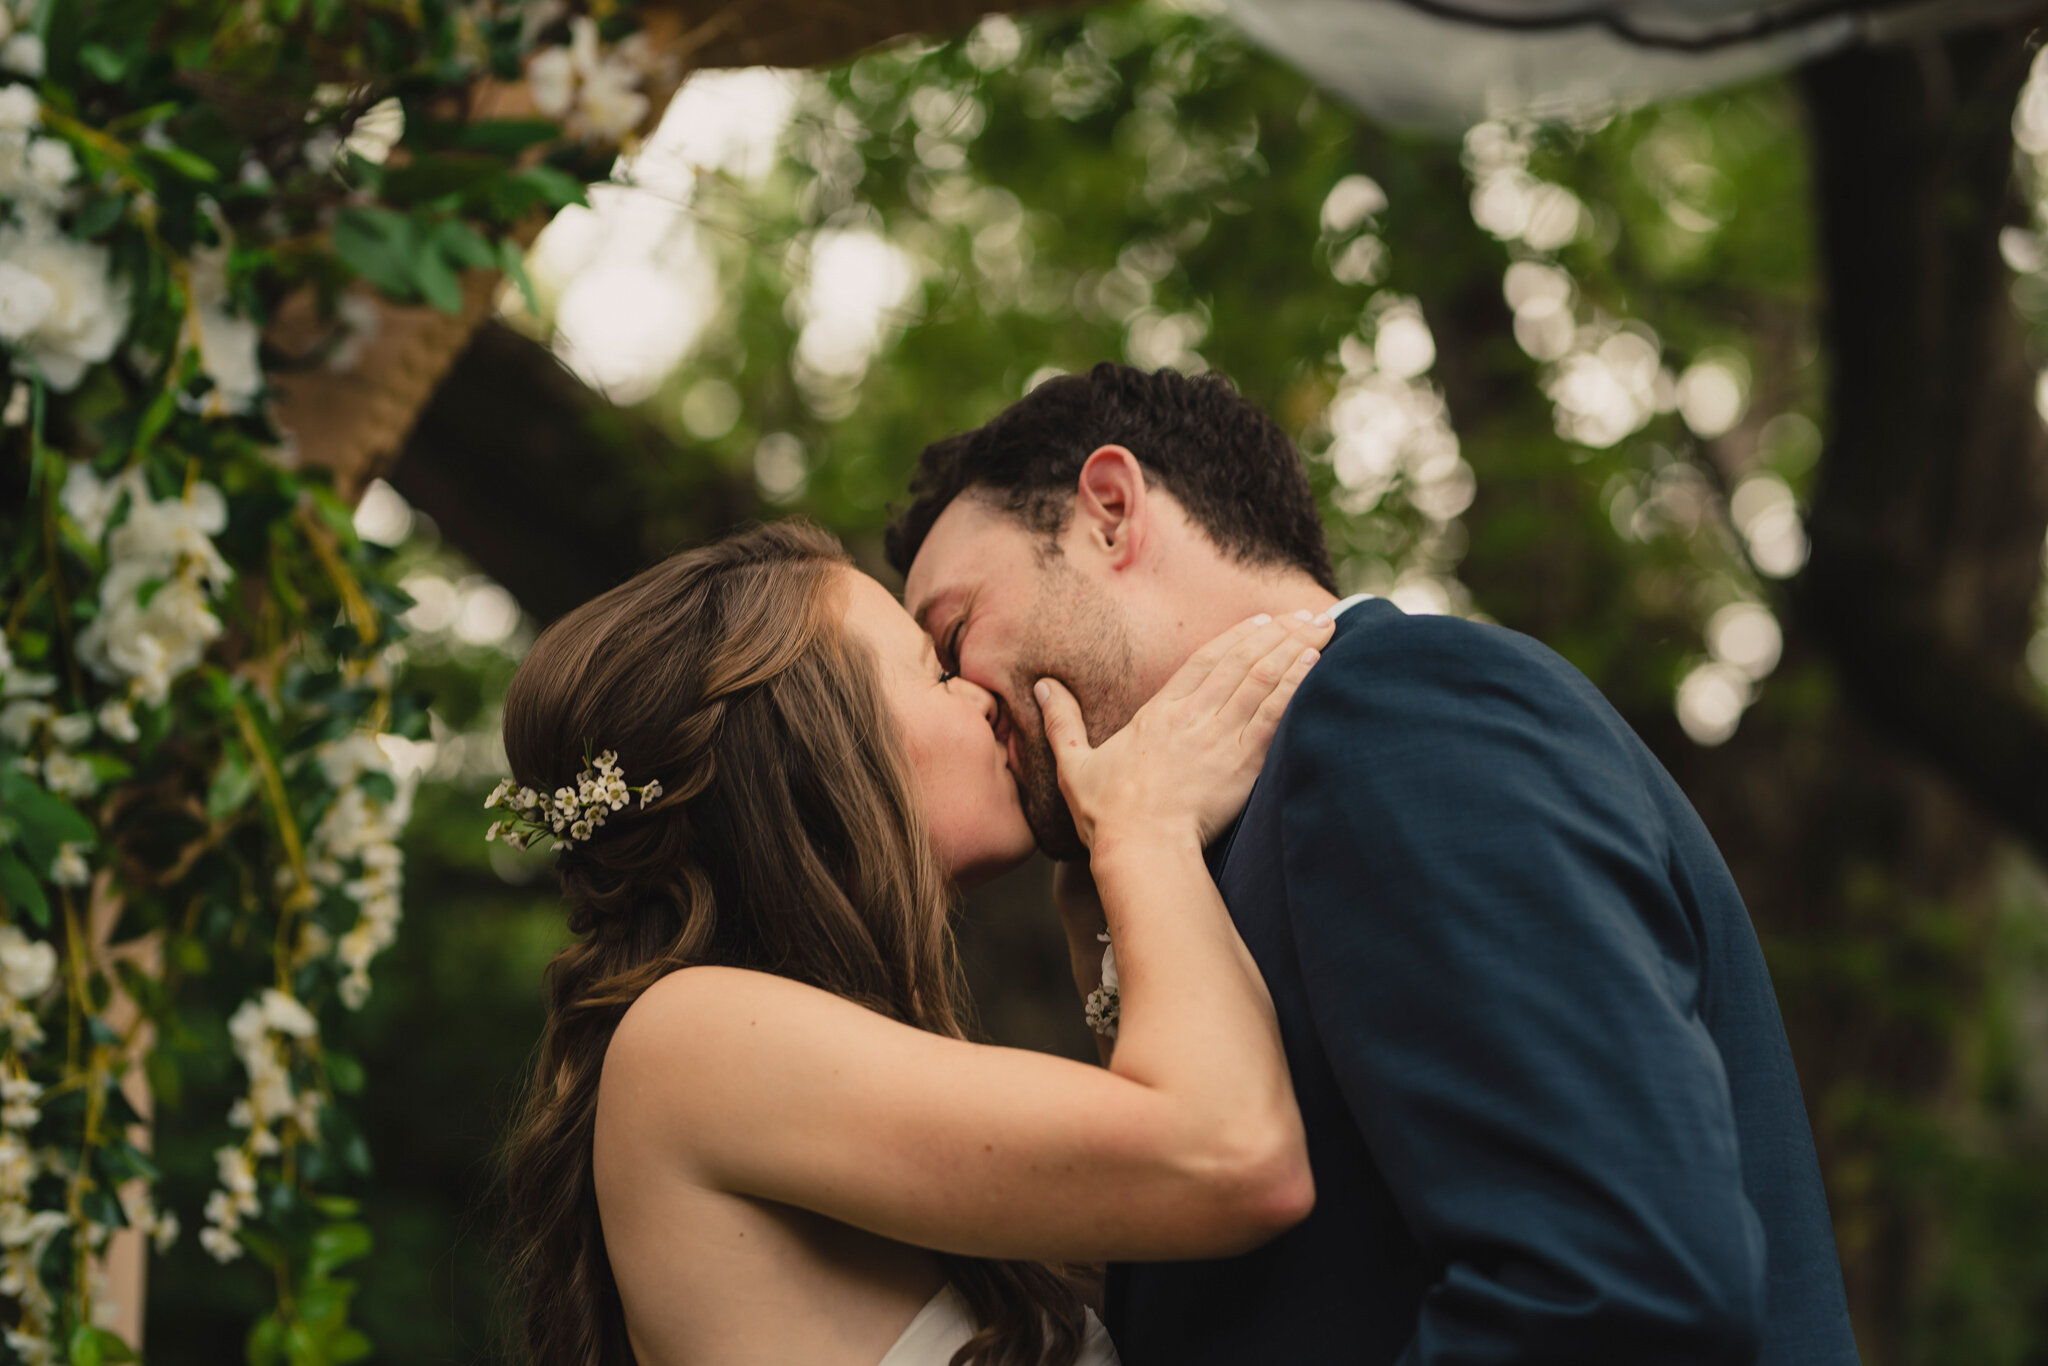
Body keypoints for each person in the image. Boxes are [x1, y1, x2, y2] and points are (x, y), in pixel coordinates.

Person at [889, 361, 1863, 1366]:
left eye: (950, 634)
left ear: (1106, 510)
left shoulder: (1393, 705)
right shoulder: (1224, 855)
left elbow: (1610, 1283)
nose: (958, 697)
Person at [497, 519, 1330, 1366]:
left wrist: (1104, 921)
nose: (977, 693)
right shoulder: (685, 1035)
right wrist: (1145, 832)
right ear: (813, 750)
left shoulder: (772, 1050)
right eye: (935, 670)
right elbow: (1232, 1158)